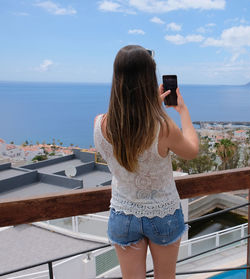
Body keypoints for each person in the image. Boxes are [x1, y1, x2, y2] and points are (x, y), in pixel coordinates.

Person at [93, 45, 199, 279]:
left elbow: (132, 137)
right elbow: (192, 150)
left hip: (123, 213)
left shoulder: (100, 124)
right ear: (149, 78)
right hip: (164, 214)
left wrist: (149, 108)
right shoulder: (163, 126)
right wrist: (182, 111)